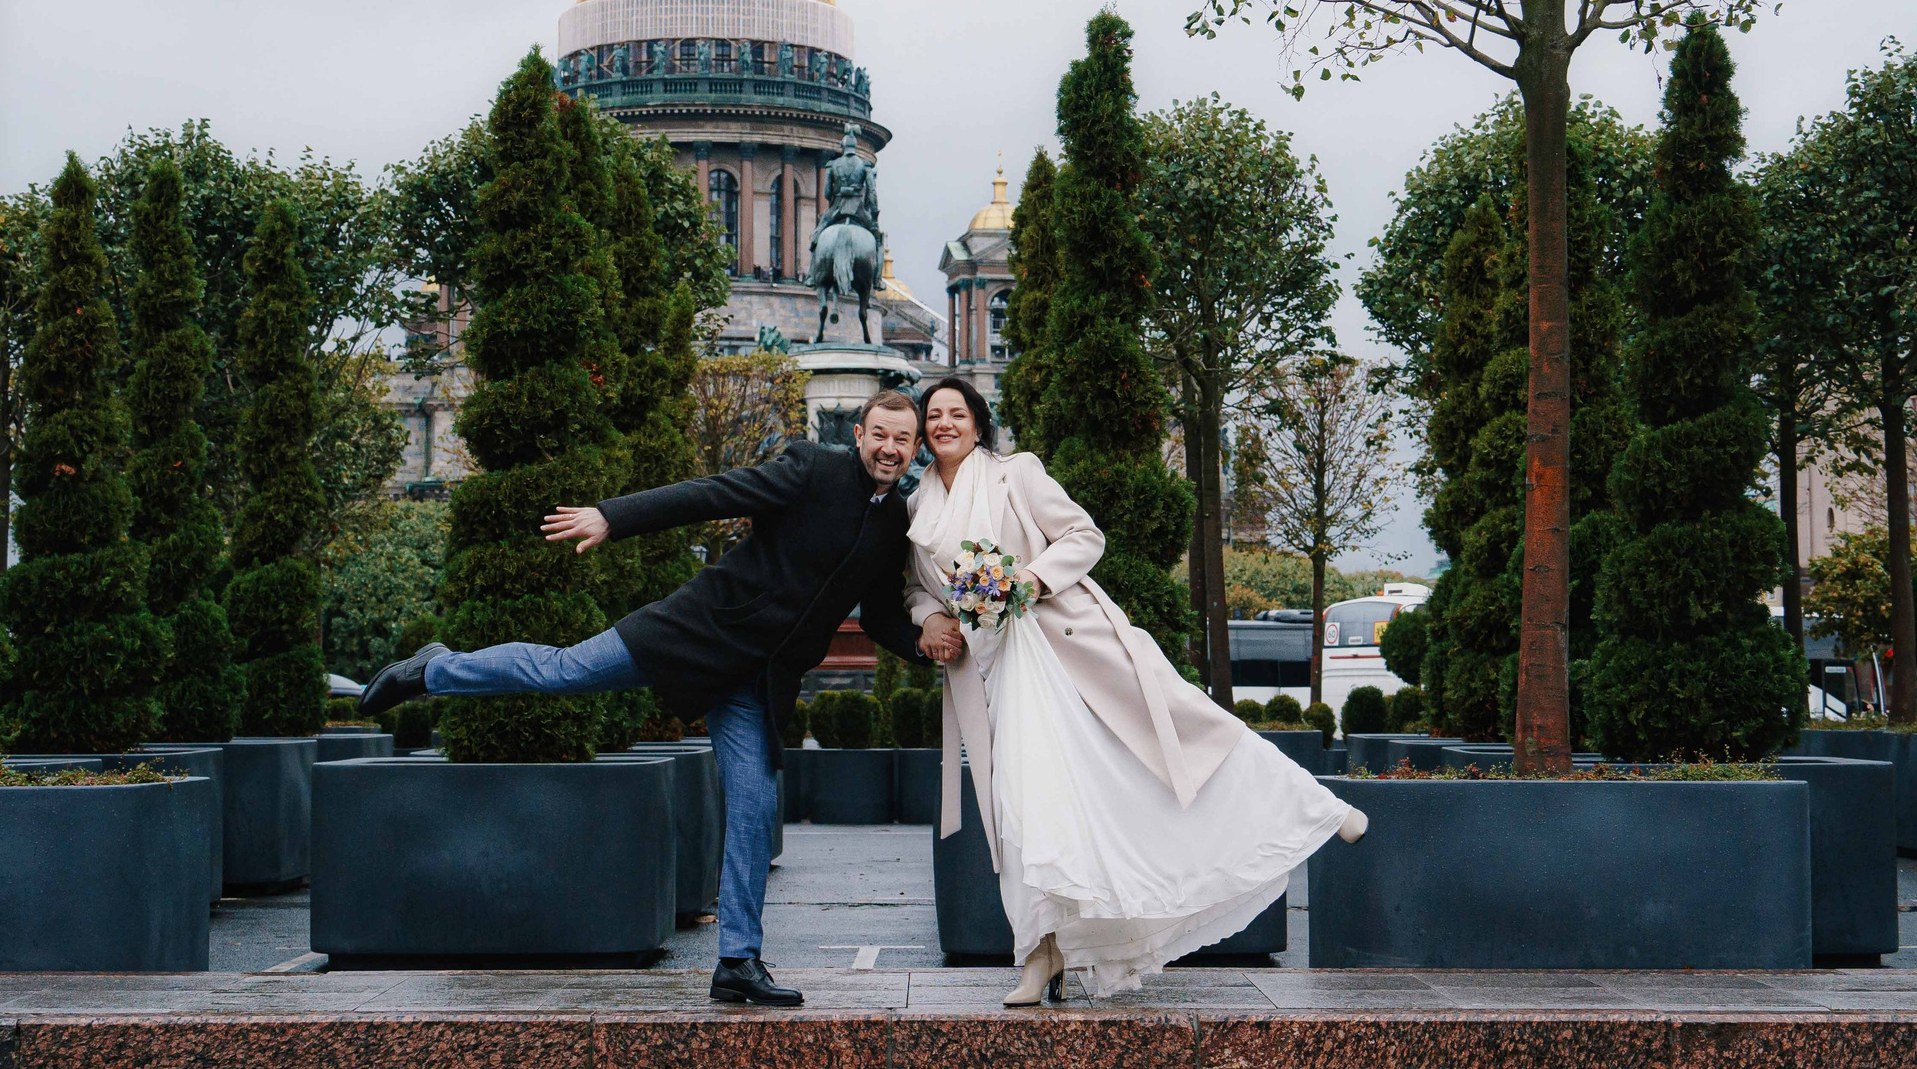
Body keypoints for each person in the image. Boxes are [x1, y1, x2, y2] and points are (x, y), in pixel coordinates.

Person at [360, 390, 932, 1008]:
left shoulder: (896, 522)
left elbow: (877, 616)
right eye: (880, 434)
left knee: (753, 808)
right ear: (858, 435)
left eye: (902, 440)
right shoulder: (811, 470)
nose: (890, 449)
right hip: (697, 630)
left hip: (756, 680)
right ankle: (435, 670)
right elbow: (713, 491)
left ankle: (737, 960)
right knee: (565, 670)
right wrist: (614, 516)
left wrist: (931, 645)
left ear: (914, 448)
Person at [903, 375, 1366, 1007]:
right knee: (1021, 813)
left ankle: (1314, 807)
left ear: (978, 424)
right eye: (934, 415)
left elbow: (1084, 535)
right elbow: (920, 588)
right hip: (992, 673)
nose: (944, 423)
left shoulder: (1017, 474)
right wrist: (929, 618)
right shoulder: (917, 506)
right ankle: (1041, 956)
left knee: (1181, 738)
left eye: (957, 413)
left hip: (1066, 649)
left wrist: (1027, 582)